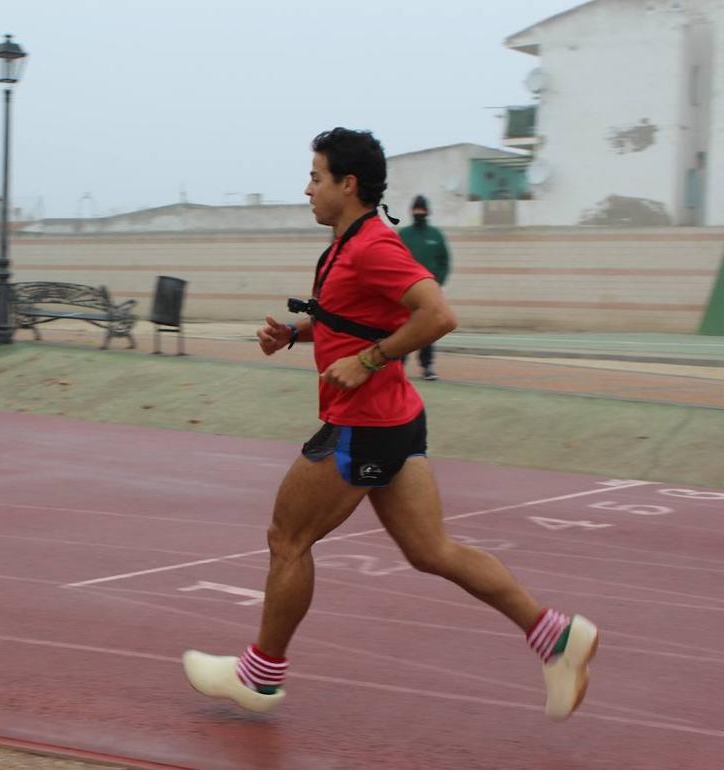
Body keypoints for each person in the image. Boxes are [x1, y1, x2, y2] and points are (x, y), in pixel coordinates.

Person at [181, 128, 597, 722]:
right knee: (432, 551)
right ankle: (554, 637)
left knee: (287, 539)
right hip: (398, 420)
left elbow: (439, 314)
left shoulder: (373, 246)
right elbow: (354, 318)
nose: (307, 189)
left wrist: (372, 359)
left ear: (347, 185)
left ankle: (259, 676)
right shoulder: (348, 243)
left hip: (363, 425)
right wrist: (296, 335)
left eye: (316, 177)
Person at [397, 194, 450, 380]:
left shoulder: (435, 235)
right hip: (406, 292)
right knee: (402, 329)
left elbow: (445, 261)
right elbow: (395, 259)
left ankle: (427, 367)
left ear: (427, 211)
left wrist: (437, 282)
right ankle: (398, 366)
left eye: (422, 209)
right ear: (412, 211)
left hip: (429, 293)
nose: (419, 212)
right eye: (416, 209)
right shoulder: (404, 235)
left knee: (428, 330)